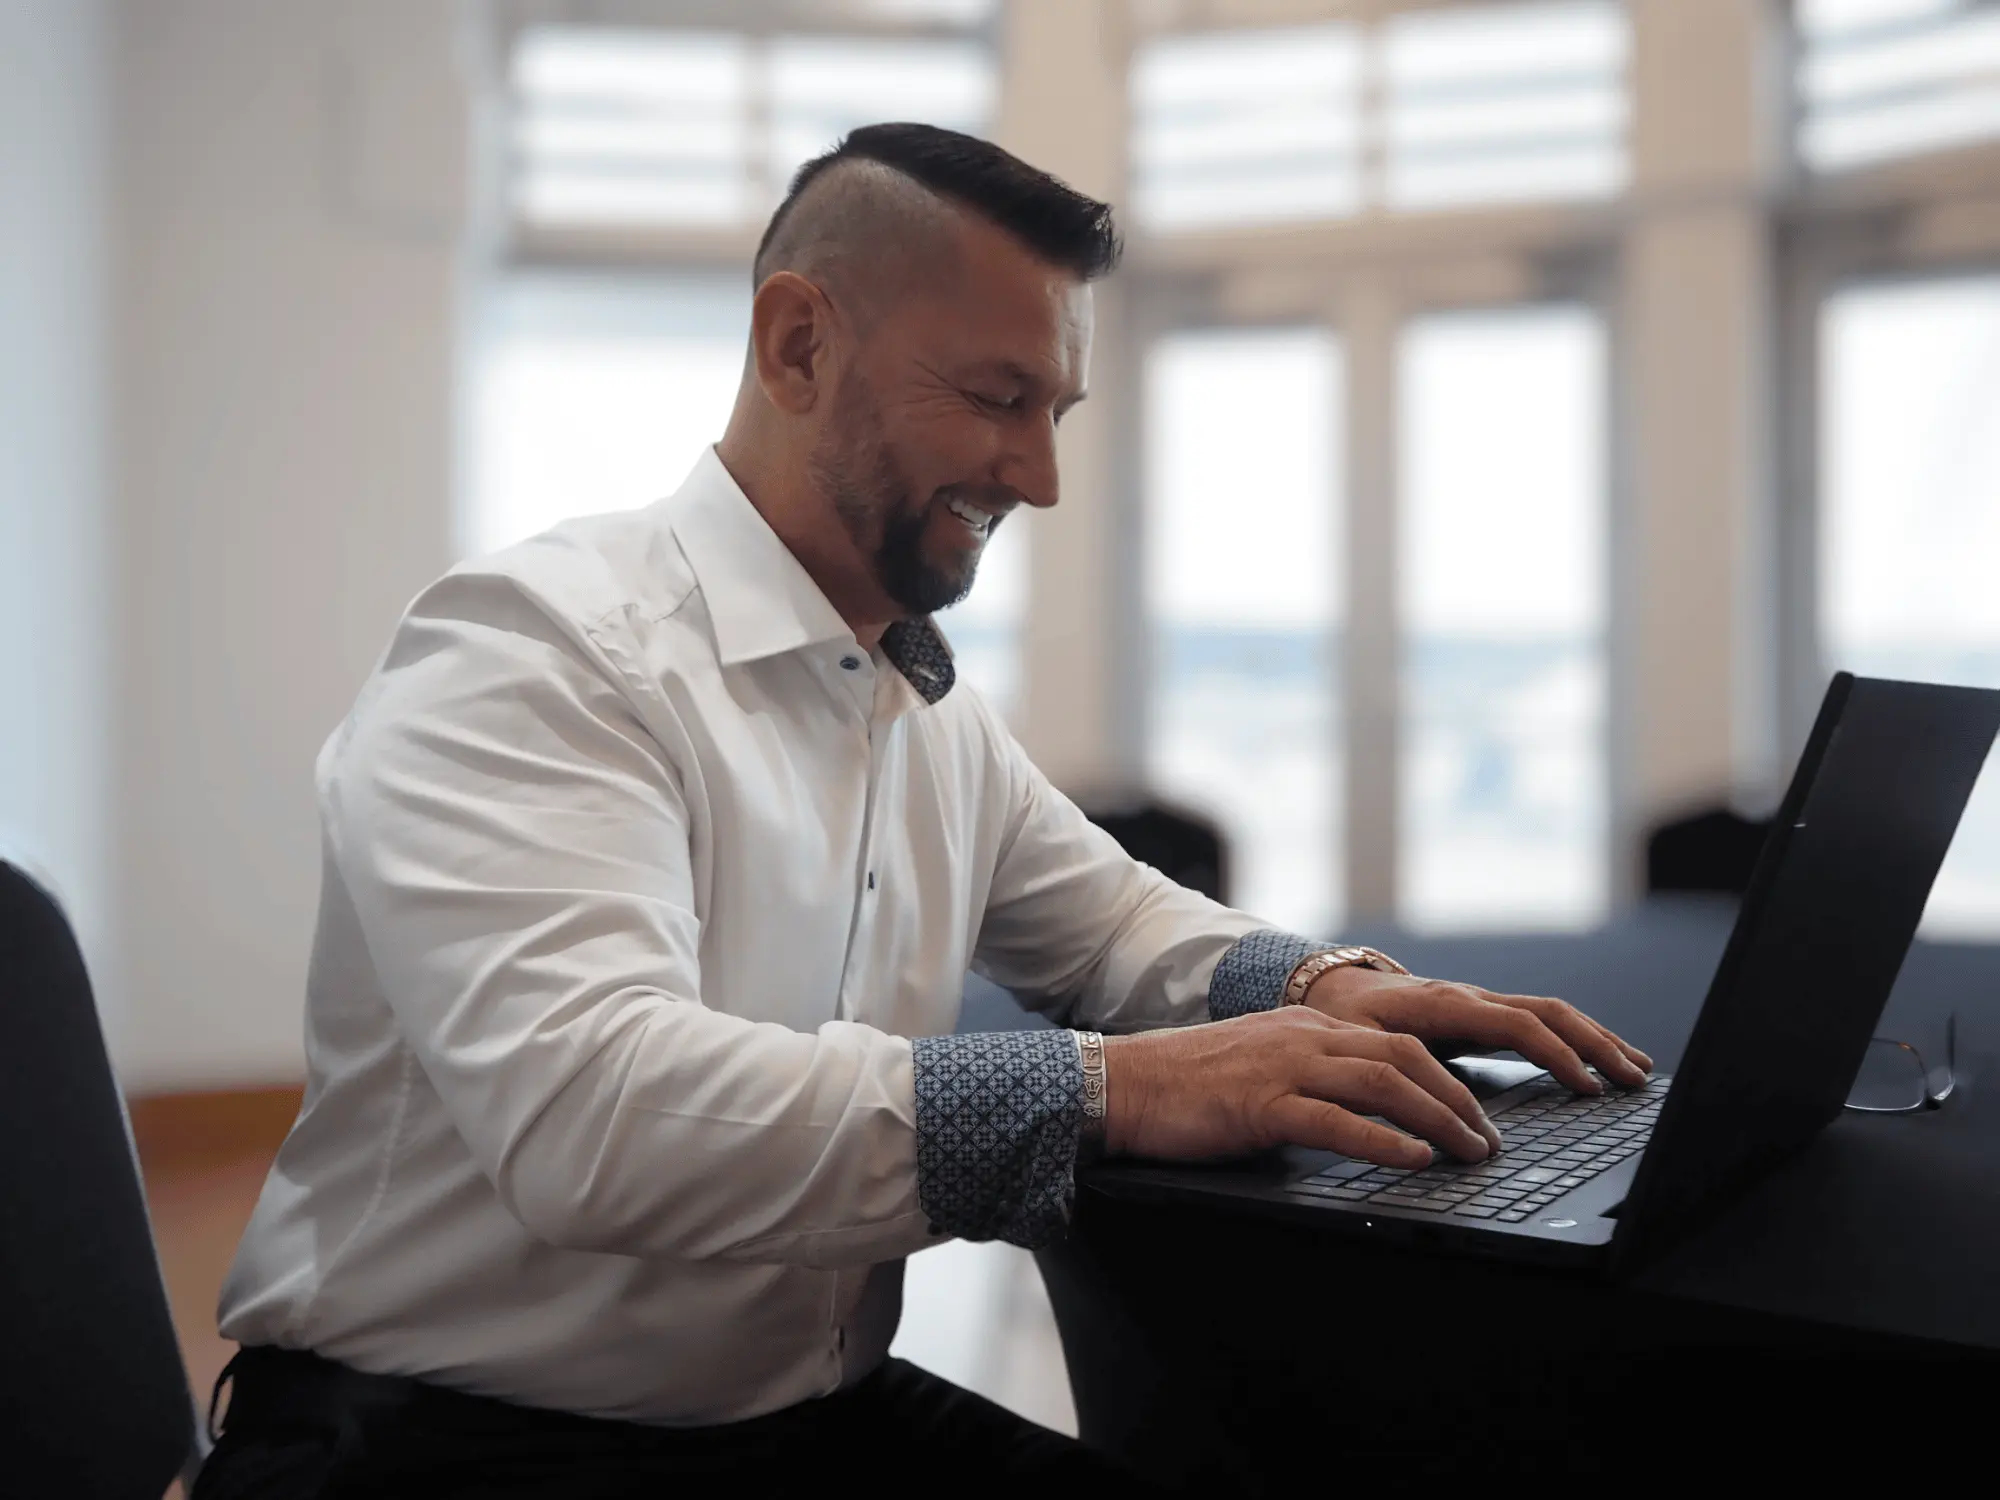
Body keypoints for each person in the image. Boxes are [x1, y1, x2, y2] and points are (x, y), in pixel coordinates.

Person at [195, 123, 1651, 1499]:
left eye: (1057, 411)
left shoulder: (913, 700)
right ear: (799, 343)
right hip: (439, 1447)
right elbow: (603, 1118)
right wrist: (1123, 1089)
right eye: (999, 399)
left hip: (792, 1424)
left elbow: (1119, 925)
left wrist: (1335, 993)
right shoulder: (532, 654)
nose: (1042, 476)